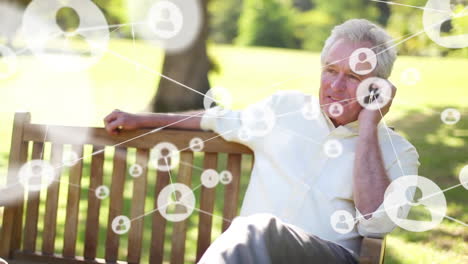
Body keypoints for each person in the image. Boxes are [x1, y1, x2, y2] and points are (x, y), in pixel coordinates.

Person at [104, 19, 420, 264]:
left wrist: (368, 126)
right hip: (249, 255)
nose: (335, 86)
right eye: (329, 71)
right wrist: (142, 119)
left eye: (353, 77)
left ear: (377, 87)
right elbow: (213, 118)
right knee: (254, 231)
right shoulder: (283, 110)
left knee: (257, 228)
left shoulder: (399, 152)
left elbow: (375, 224)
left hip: (327, 257)